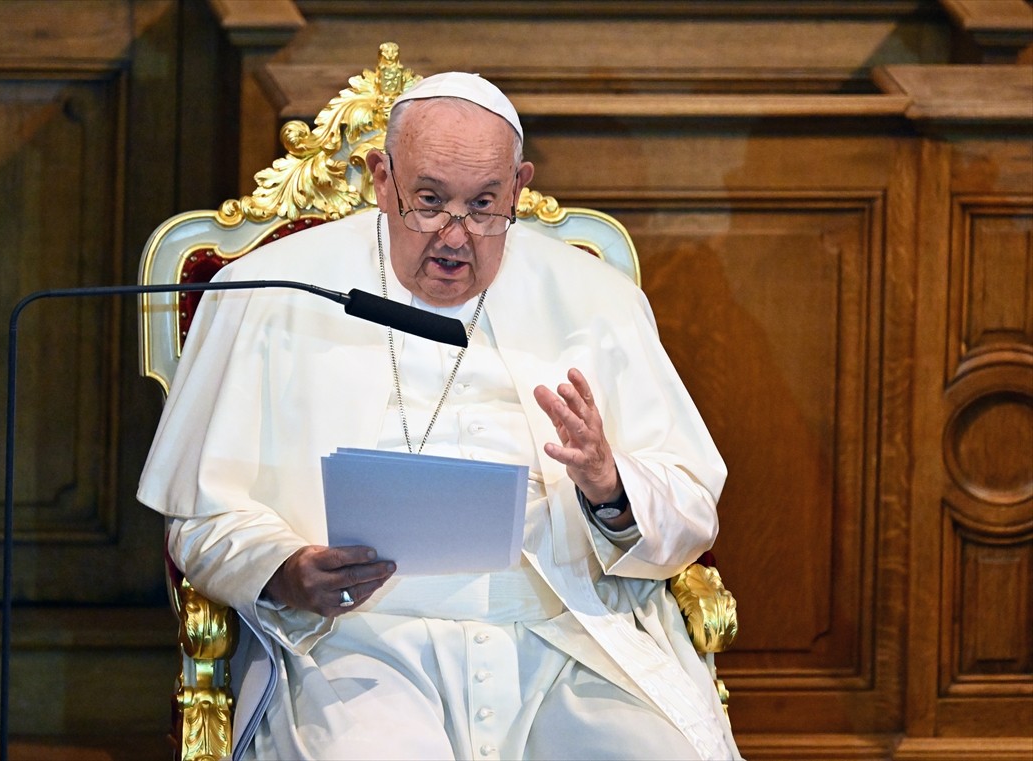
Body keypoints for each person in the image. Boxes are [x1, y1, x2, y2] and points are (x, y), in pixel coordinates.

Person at [138, 72, 741, 761]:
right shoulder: (268, 291)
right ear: (380, 177)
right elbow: (200, 517)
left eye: (484, 206)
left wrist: (611, 487)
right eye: (429, 203)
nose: (456, 236)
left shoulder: (596, 299)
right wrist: (285, 568)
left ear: (518, 187)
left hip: (564, 637)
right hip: (357, 644)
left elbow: (691, 505)